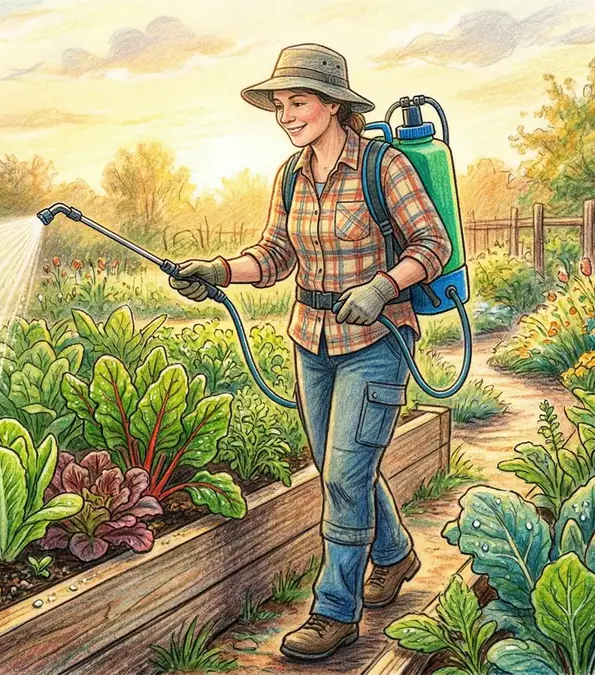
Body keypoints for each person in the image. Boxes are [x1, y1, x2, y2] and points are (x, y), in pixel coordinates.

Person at [170, 43, 452, 661]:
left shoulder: (383, 167)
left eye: (298, 101)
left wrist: (382, 287)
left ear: (333, 105)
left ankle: (334, 613)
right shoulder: (292, 175)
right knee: (336, 467)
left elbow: (431, 243)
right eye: (279, 105)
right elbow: (275, 254)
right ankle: (395, 554)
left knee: (347, 474)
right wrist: (218, 270)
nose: (286, 115)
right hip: (311, 340)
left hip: (377, 340)